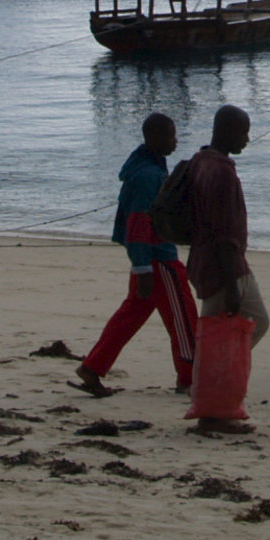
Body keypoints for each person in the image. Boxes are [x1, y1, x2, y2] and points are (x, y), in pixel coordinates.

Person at [73, 113, 198, 397]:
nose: (175, 141)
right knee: (184, 318)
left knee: (130, 316)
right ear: (154, 138)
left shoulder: (148, 167)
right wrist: (142, 267)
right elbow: (138, 225)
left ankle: (92, 367)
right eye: (170, 136)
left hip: (149, 259)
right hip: (158, 259)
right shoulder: (148, 175)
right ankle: (190, 378)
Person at [189, 104, 269, 347]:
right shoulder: (222, 173)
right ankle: (209, 377)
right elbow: (223, 233)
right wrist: (231, 284)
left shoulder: (201, 160)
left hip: (219, 261)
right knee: (211, 334)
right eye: (243, 133)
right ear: (227, 131)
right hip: (223, 267)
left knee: (258, 320)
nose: (246, 139)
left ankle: (223, 368)